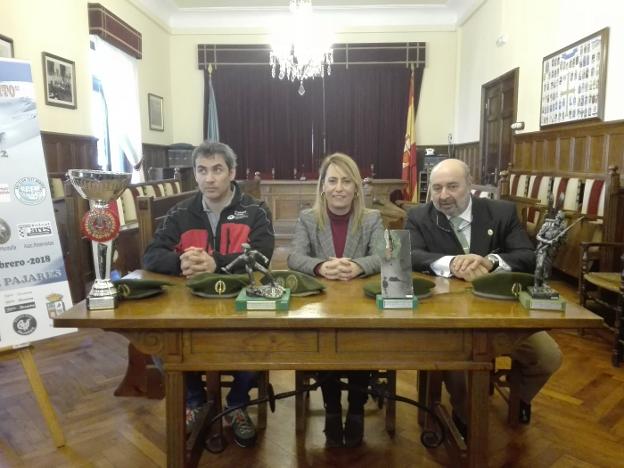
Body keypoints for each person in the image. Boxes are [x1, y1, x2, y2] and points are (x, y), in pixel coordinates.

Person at [405, 158, 562, 436]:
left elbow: (526, 256)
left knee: (547, 357)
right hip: (446, 316)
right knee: (459, 361)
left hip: (502, 312)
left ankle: (520, 397)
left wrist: (490, 261)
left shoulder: (501, 212)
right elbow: (410, 255)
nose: (444, 196)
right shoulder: (419, 216)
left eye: (452, 186)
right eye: (437, 188)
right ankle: (465, 415)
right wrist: (452, 263)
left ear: (470, 185)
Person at [143, 141, 274, 448]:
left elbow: (263, 257)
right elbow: (150, 255)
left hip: (240, 303)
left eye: (217, 170)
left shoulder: (255, 210)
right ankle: (196, 401)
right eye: (202, 170)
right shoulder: (180, 213)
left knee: (267, 337)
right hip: (192, 305)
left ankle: (236, 403)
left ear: (232, 173)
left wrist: (217, 264)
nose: (209, 178)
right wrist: (181, 261)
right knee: (159, 340)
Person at [288, 152, 384, 448]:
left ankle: (355, 409)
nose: (339, 188)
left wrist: (358, 265)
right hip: (322, 303)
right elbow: (294, 257)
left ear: (356, 187)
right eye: (332, 181)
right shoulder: (308, 217)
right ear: (322, 186)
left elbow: (384, 256)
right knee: (325, 343)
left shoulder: (372, 218)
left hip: (361, 305)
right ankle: (331, 409)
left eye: (346, 181)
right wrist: (319, 266)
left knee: (359, 340)